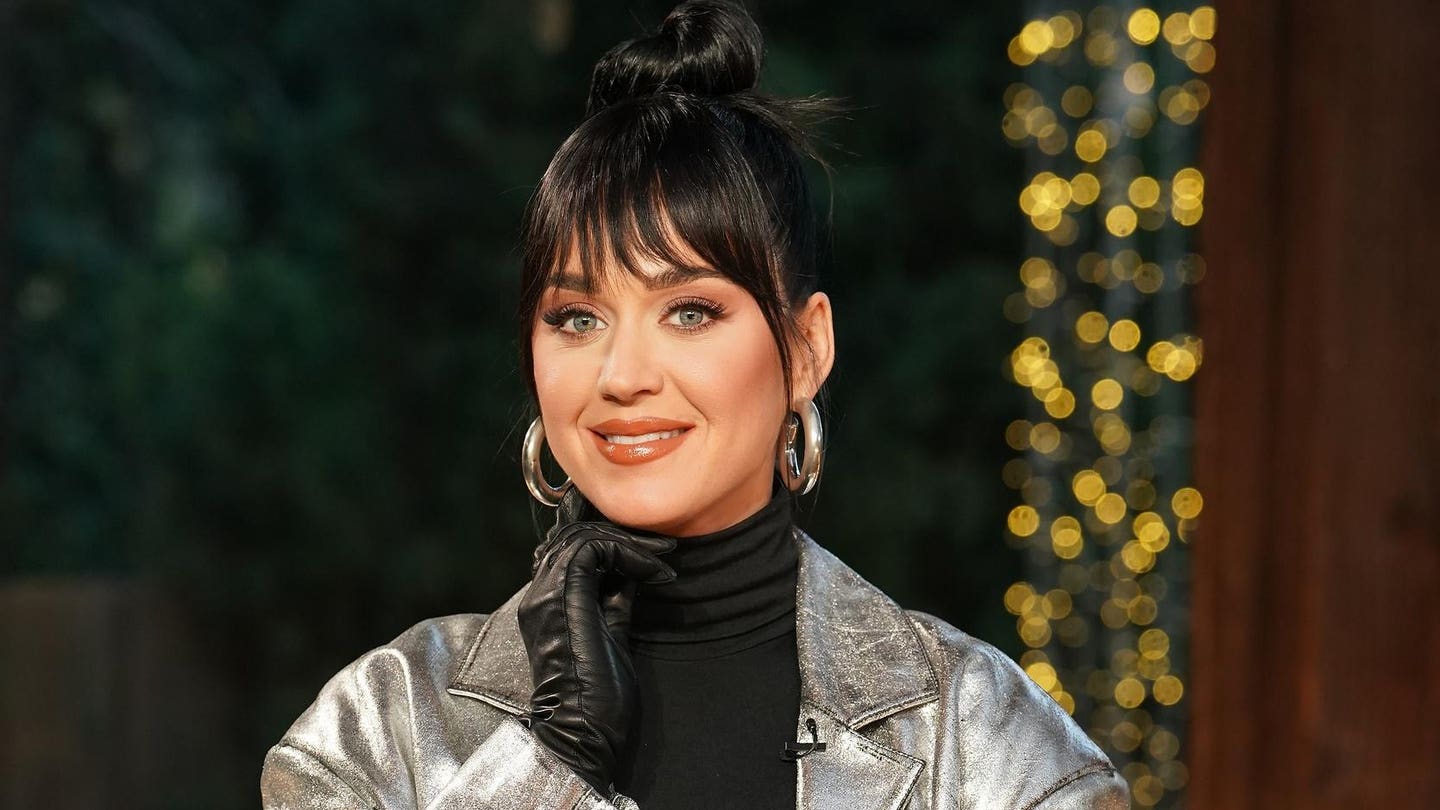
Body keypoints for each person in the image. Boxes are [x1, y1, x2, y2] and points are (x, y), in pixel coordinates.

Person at [260, 2, 1129, 808]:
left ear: (806, 349)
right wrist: (551, 765)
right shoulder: (377, 733)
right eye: (576, 317)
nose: (622, 373)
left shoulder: (989, 747)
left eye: (691, 311)